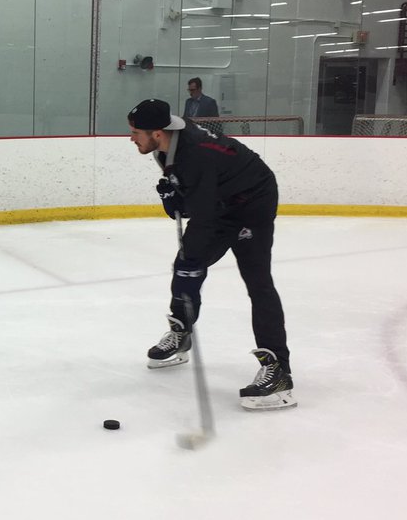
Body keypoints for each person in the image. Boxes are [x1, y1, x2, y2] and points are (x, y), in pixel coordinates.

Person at [127, 98, 296, 410]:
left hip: (251, 203)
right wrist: (172, 199)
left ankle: (280, 372)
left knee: (256, 281)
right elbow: (190, 203)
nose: (131, 138)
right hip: (220, 201)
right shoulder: (167, 149)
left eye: (136, 132)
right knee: (184, 266)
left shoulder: (196, 154)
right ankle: (181, 331)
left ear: (158, 133)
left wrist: (193, 263)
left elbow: (202, 218)